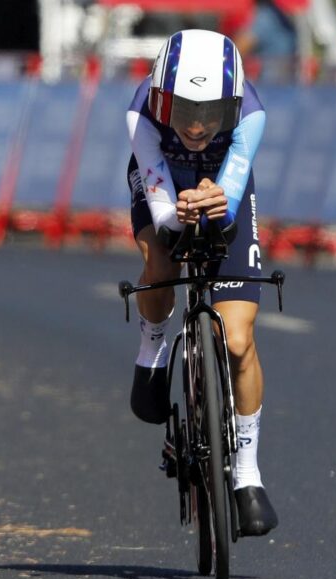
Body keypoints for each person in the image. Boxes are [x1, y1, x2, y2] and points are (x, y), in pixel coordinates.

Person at [126, 29, 278, 536]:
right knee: (162, 266)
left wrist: (218, 201)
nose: (195, 125)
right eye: (183, 109)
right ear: (160, 98)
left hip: (222, 187)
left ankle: (248, 474)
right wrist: (175, 214)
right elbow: (166, 215)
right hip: (165, 183)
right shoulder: (142, 115)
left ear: (232, 108)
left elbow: (228, 209)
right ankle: (153, 348)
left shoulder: (252, 116)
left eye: (211, 113)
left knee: (237, 340)